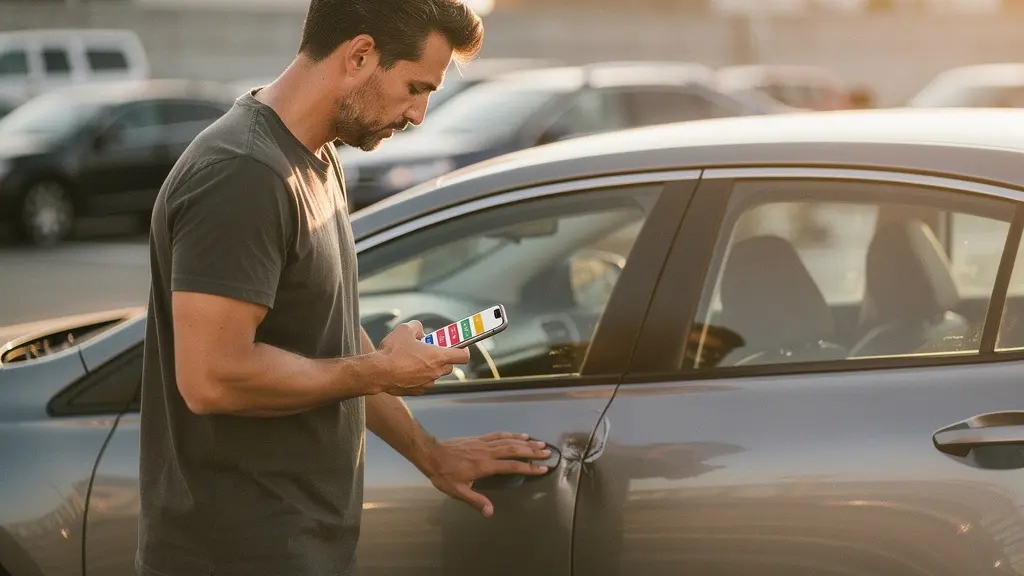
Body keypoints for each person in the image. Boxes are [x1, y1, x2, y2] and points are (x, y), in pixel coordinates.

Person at [136, 1, 552, 575]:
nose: (419, 114)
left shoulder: (314, 154)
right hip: (239, 555)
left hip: (301, 547)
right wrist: (382, 370)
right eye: (415, 87)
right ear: (360, 55)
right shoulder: (242, 172)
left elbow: (330, 336)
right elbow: (213, 378)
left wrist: (430, 454)